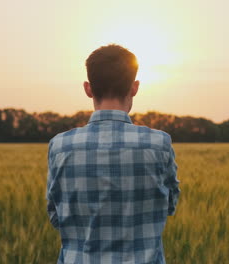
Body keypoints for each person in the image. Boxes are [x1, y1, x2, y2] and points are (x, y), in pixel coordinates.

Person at [46, 44, 180, 264]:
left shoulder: (60, 145)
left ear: (88, 89)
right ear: (134, 87)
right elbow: (169, 205)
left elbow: (55, 215)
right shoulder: (158, 143)